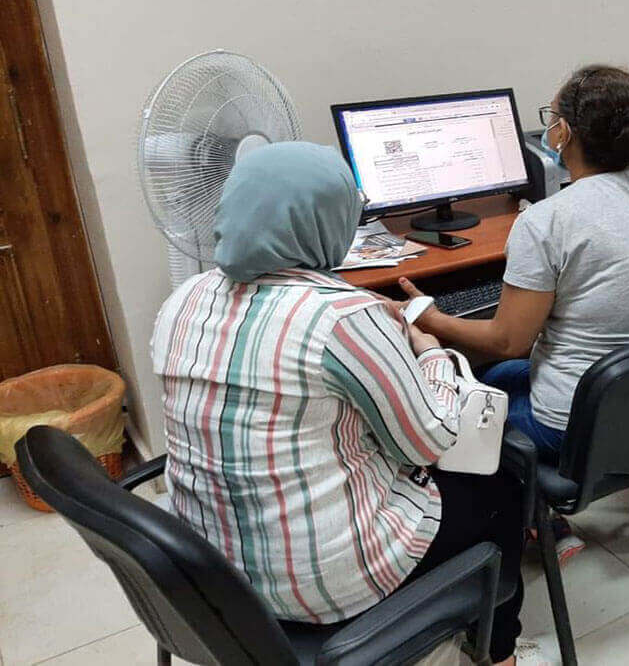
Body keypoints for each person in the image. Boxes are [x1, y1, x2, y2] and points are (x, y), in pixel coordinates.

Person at [151, 142, 524, 666]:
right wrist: (431, 353)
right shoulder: (341, 316)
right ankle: (500, 652)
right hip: (322, 586)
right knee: (501, 483)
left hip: (209, 580)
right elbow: (429, 441)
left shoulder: (184, 299)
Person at [399, 65, 629, 554]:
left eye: (552, 116)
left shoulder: (547, 220)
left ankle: (539, 528)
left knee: (464, 401)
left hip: (576, 424)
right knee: (502, 375)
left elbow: (509, 338)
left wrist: (428, 316)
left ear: (562, 131)